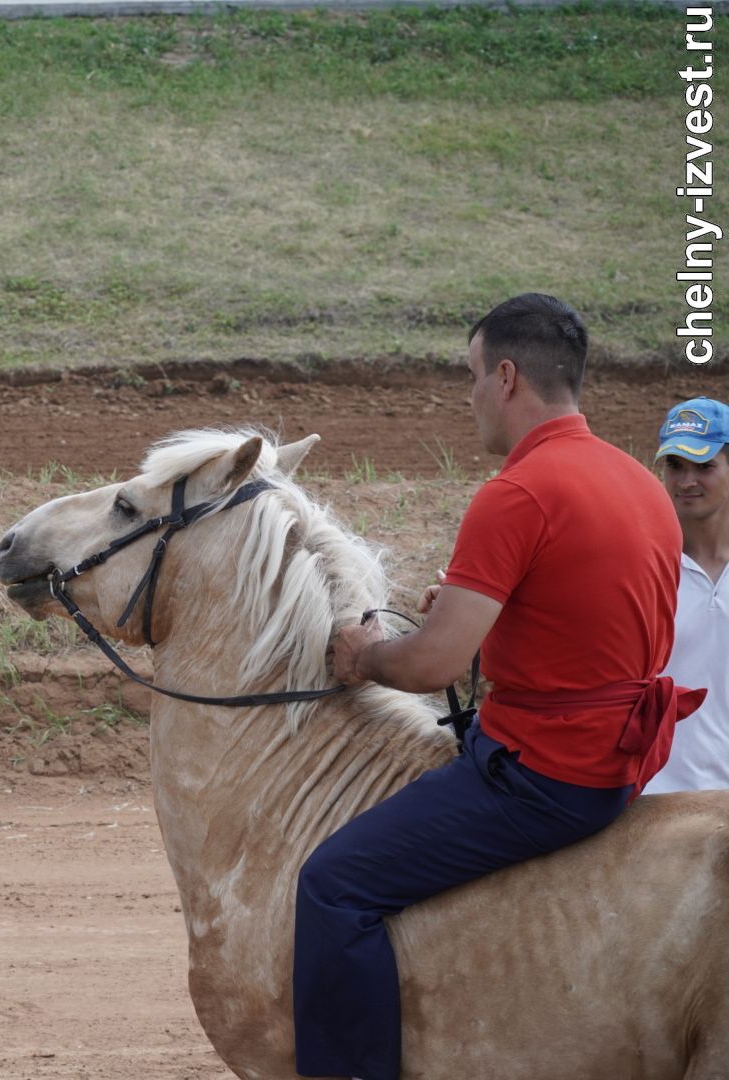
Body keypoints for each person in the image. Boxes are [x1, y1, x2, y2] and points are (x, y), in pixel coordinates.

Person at [298, 293, 703, 1080]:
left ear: (508, 377)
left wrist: (364, 653)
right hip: (624, 759)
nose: (470, 395)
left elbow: (429, 670)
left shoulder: (517, 493)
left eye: (473, 375)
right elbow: (593, 615)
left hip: (545, 776)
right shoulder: (635, 480)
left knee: (333, 884)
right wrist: (493, 608)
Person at [645, 398, 729, 793]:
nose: (686, 481)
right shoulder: (640, 565)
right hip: (655, 799)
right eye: (675, 465)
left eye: (705, 466)